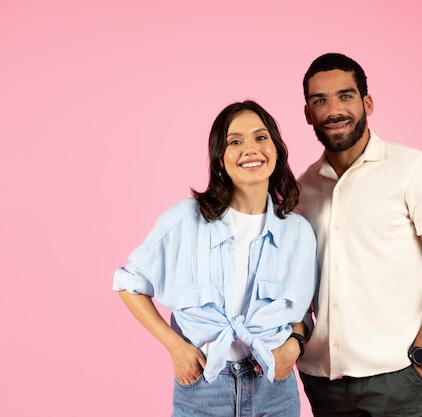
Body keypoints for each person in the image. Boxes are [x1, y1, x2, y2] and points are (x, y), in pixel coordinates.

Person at [296, 53, 422, 417]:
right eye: (320, 101)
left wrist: (421, 357)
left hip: (400, 381)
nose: (333, 110)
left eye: (345, 96)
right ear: (307, 114)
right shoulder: (301, 189)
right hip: (323, 385)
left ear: (367, 103)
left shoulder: (412, 168)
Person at [113, 100, 317, 417]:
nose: (250, 149)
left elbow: (302, 313)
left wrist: (293, 348)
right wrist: (175, 347)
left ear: (276, 150)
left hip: (274, 390)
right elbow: (128, 283)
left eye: (261, 137)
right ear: (220, 158)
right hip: (204, 388)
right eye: (235, 141)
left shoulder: (299, 232)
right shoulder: (185, 220)